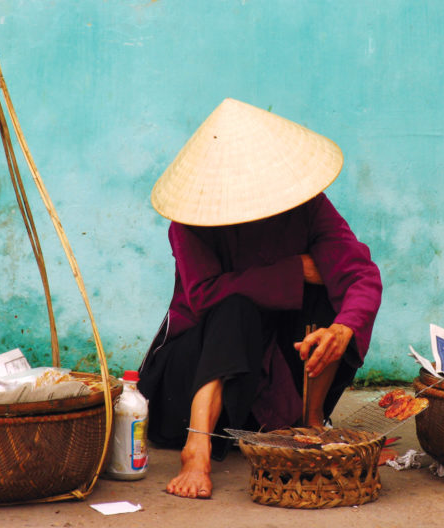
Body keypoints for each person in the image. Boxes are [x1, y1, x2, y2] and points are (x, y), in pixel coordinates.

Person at [138, 98, 382, 499]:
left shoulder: (308, 207)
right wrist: (291, 271)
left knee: (332, 300)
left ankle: (311, 423)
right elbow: (202, 296)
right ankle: (197, 450)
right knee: (235, 306)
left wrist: (343, 328)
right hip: (189, 379)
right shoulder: (191, 220)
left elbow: (360, 274)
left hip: (265, 379)